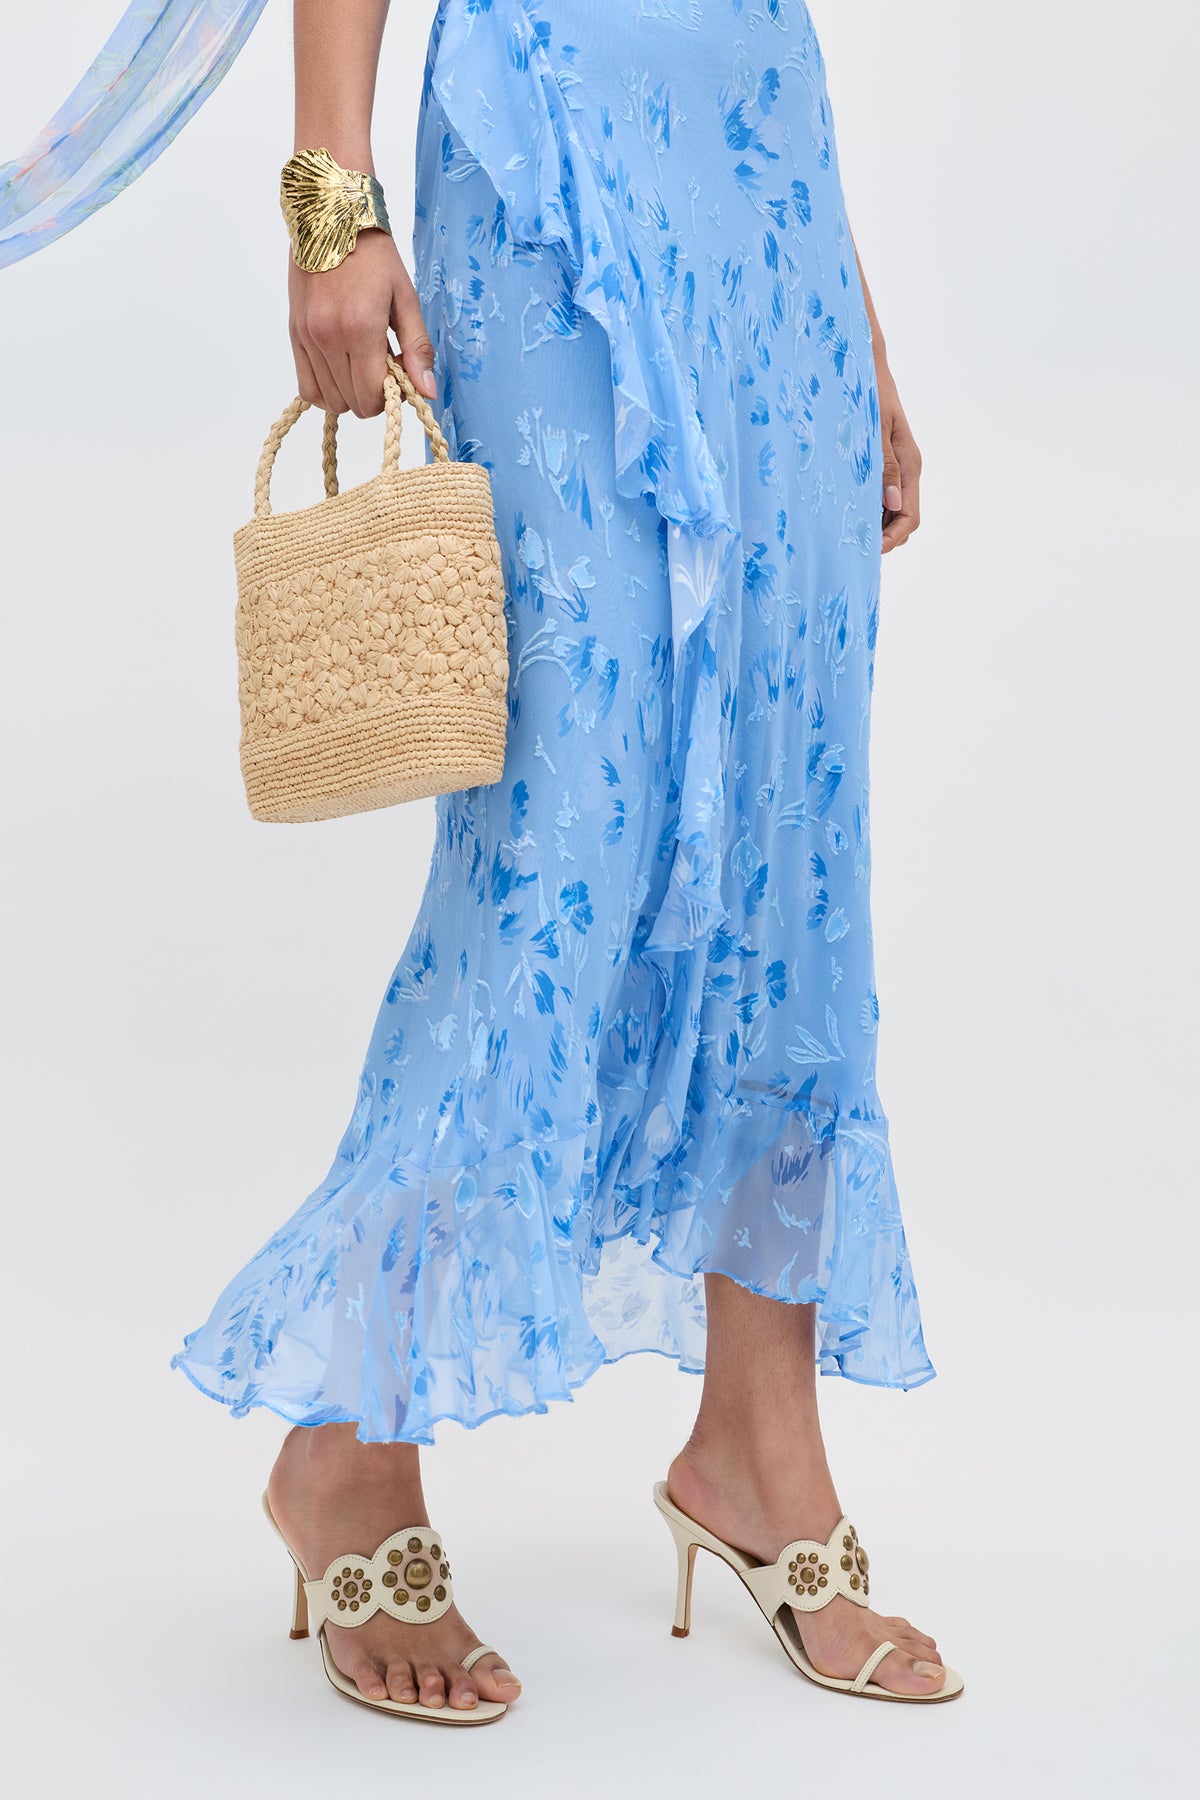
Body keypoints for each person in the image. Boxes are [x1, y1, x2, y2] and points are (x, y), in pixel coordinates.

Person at [169, 0, 960, 1718]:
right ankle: (351, 1449)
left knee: (788, 822)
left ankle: (759, 1440)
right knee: (569, 830)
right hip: (550, 178)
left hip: (768, 196)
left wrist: (851, 306)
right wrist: (335, 197)